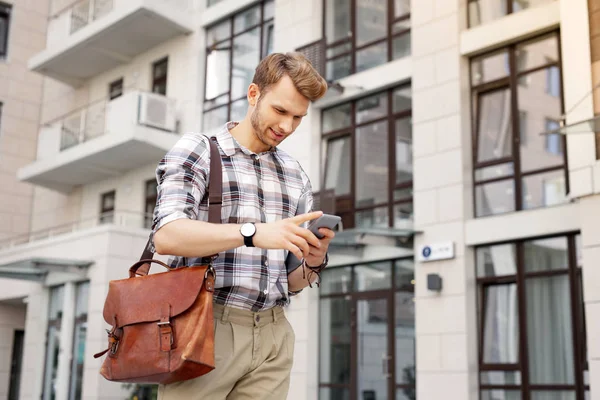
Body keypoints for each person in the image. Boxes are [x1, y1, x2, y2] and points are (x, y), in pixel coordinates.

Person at [151, 52, 334, 400]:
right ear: (254, 94)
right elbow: (167, 234)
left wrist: (314, 259)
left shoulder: (295, 175)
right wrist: (253, 233)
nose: (287, 127)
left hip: (273, 334)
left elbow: (293, 283)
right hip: (205, 326)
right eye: (280, 111)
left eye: (298, 117)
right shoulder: (201, 151)